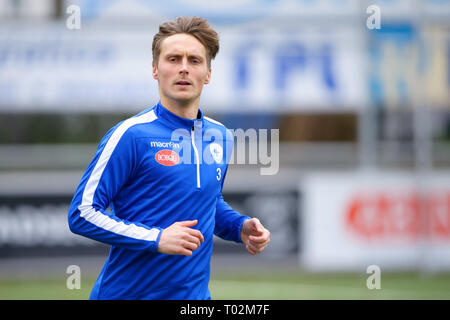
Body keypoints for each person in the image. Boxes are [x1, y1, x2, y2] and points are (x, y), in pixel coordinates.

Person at [68, 16, 270, 300]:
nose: (184, 68)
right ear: (155, 69)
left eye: (195, 60)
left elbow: (207, 201)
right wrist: (157, 238)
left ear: (208, 74)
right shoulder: (130, 136)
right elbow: (82, 213)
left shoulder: (222, 136)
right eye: (173, 59)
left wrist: (240, 226)